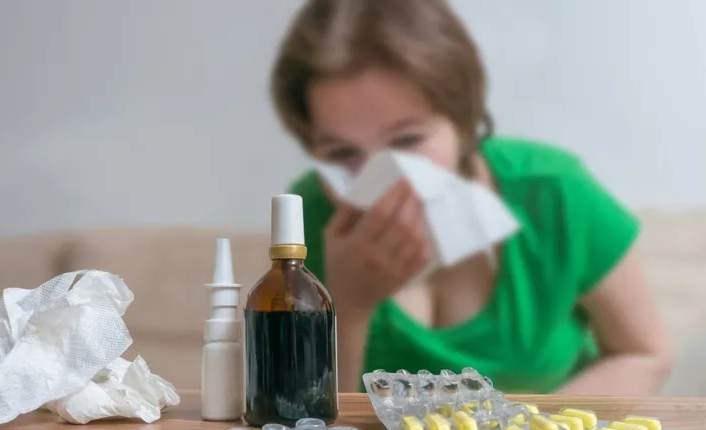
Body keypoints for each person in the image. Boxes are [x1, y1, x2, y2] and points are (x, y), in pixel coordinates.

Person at [269, 0, 672, 395]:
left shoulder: (553, 192)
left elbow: (646, 354)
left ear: (462, 121)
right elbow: (302, 417)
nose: (383, 179)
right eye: (341, 153)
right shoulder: (306, 220)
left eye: (407, 140)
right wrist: (349, 303)